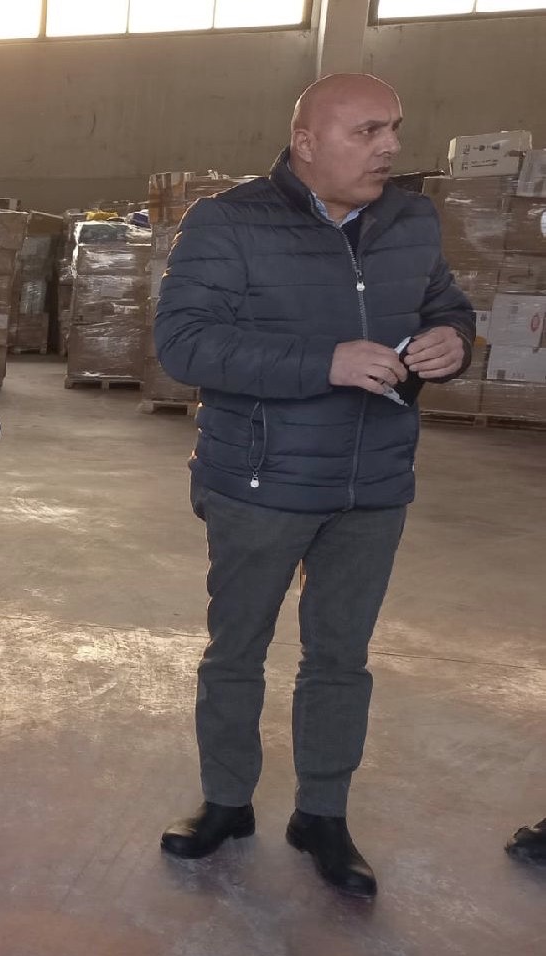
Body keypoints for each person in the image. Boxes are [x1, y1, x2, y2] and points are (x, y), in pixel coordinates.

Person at [152, 74, 474, 900]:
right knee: (238, 650)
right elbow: (184, 344)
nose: (390, 147)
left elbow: (448, 305)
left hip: (373, 483)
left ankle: (322, 814)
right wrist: (321, 363)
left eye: (394, 128)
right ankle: (227, 801)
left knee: (340, 658)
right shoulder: (229, 223)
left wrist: (451, 339)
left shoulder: (410, 220)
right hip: (259, 481)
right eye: (367, 132)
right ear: (305, 143)